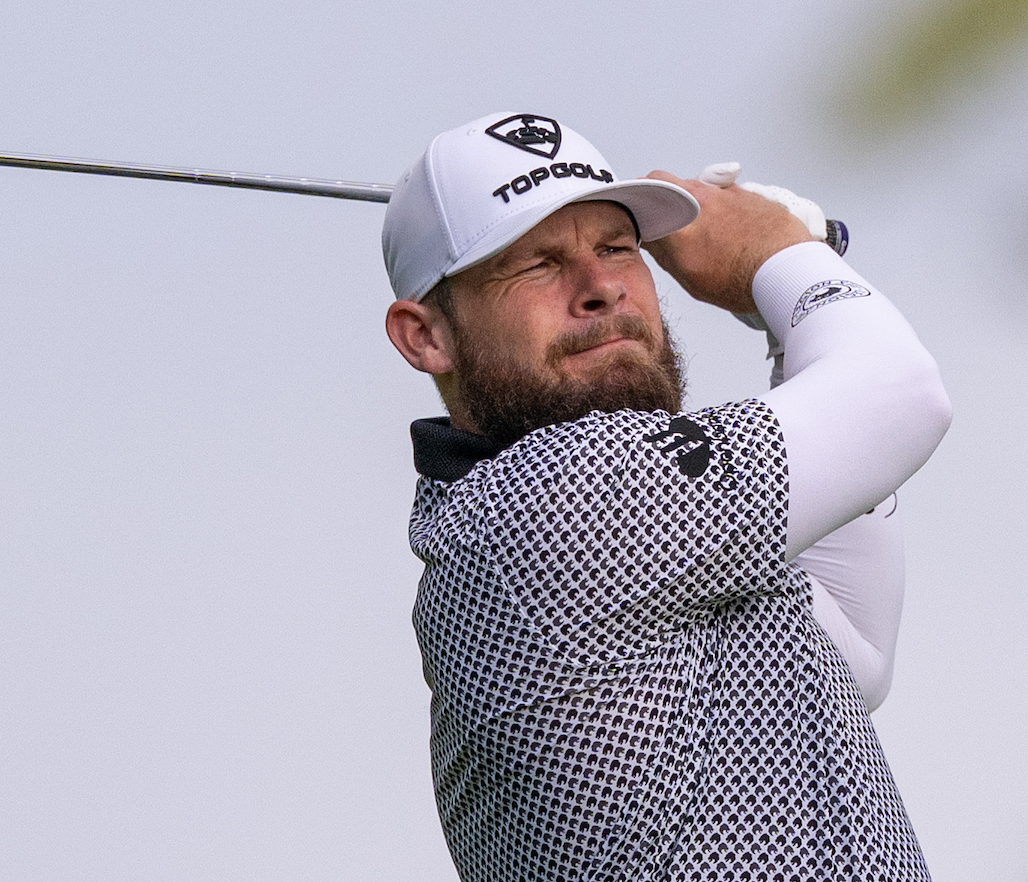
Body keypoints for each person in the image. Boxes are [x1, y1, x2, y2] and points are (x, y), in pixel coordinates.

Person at [381, 112, 951, 881]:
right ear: (426, 337)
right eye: (536, 265)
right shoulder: (545, 505)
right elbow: (903, 396)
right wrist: (780, 256)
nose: (601, 287)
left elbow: (854, 652)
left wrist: (791, 324)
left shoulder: (589, 538)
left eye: (617, 247)